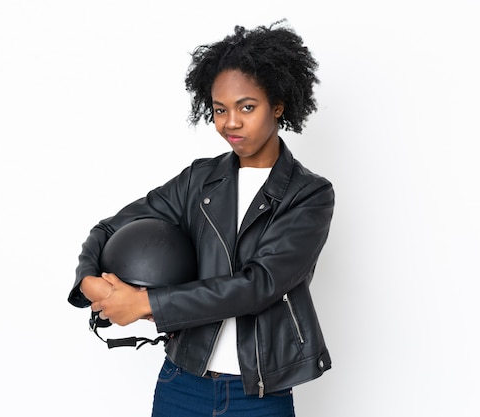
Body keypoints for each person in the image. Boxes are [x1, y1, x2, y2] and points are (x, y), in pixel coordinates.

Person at [68, 19, 334, 417]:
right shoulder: (200, 180)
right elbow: (110, 228)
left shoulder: (309, 194)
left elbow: (257, 285)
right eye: (219, 109)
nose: (230, 122)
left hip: (259, 394)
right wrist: (89, 279)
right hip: (182, 382)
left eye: (247, 107)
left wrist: (146, 305)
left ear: (278, 105)